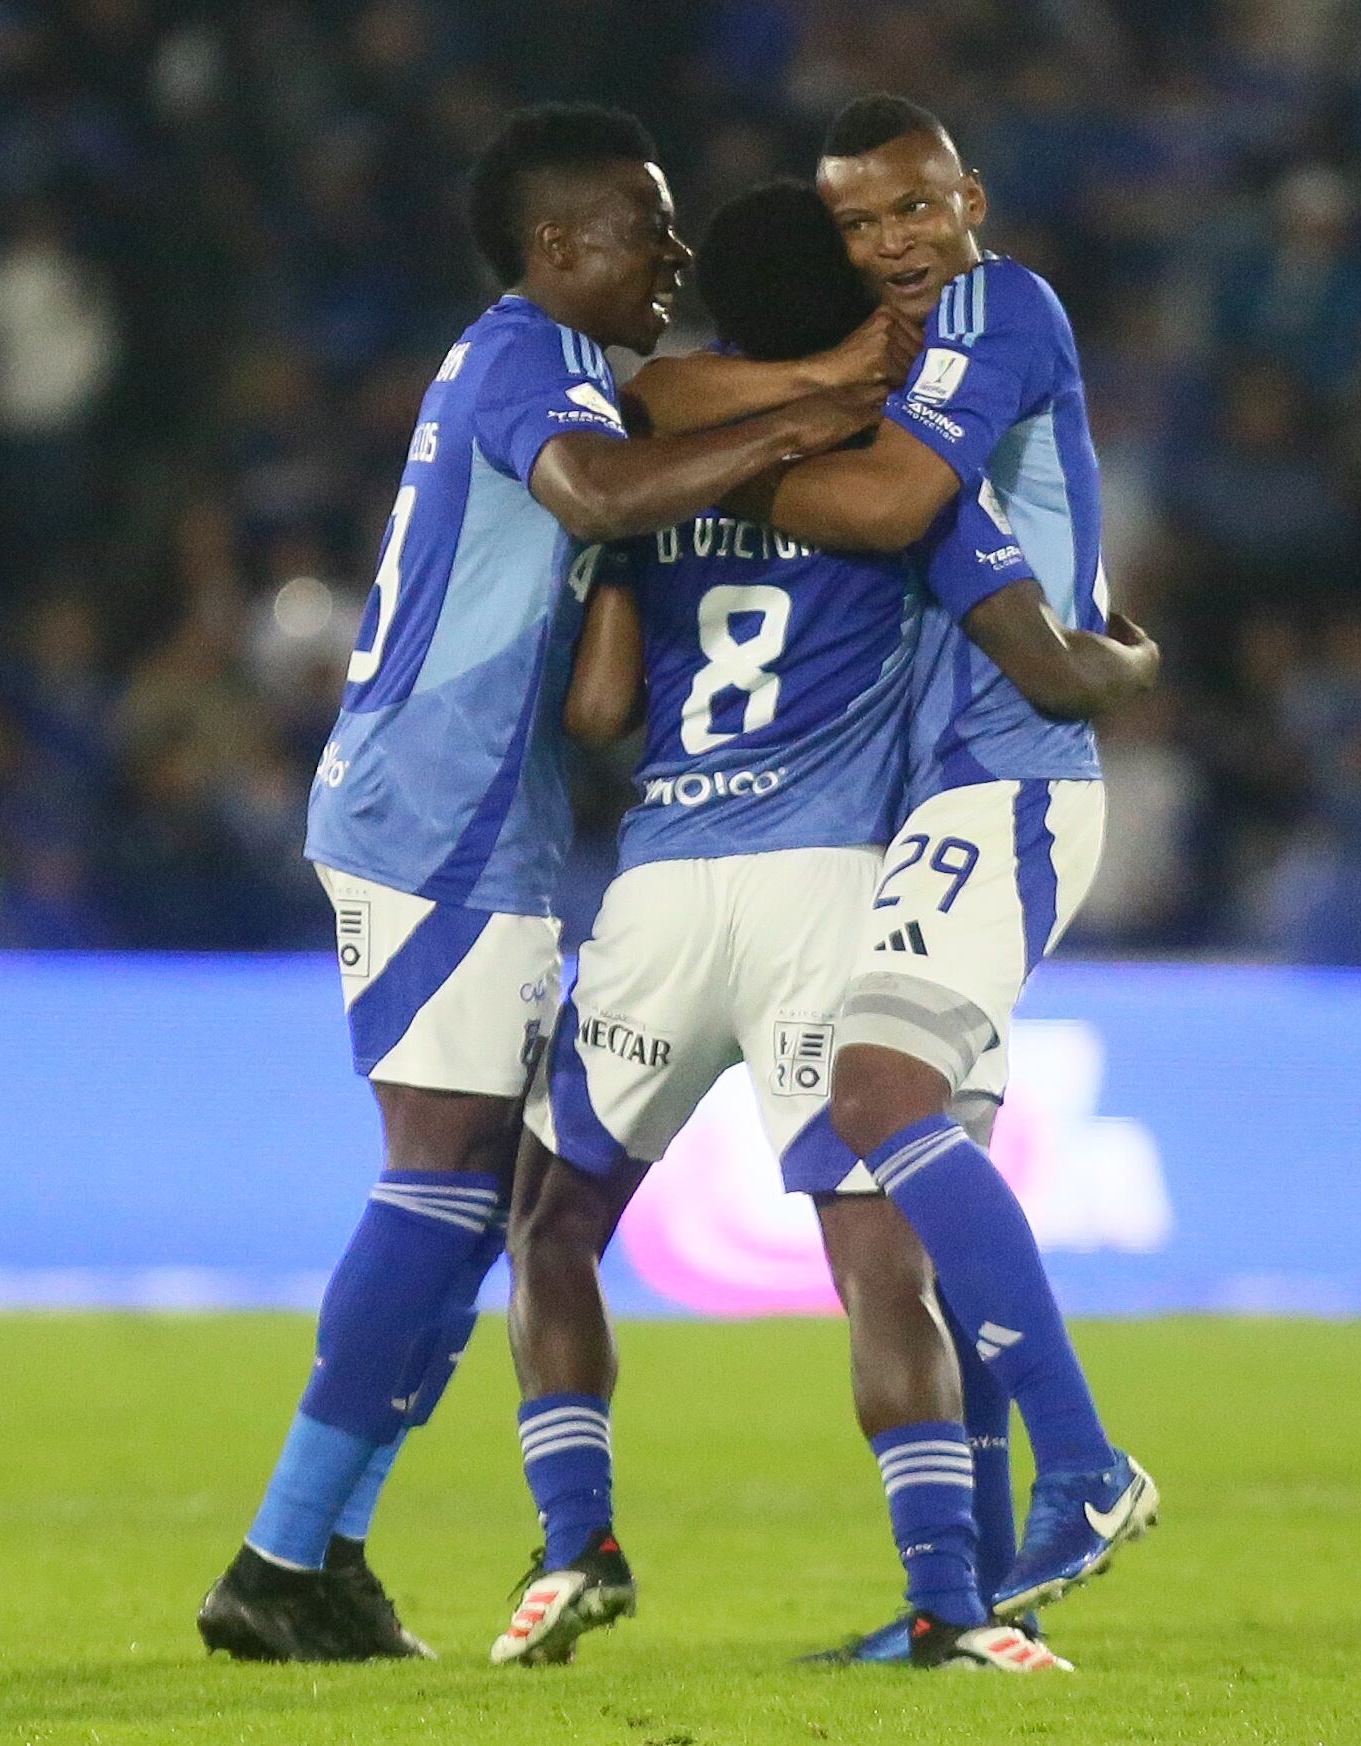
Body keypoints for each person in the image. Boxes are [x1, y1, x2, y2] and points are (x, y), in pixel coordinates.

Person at [196, 103, 890, 1664]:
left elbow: (593, 661)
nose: (678, 252)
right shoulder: (527, 359)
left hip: (474, 818)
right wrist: (798, 427)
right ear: (561, 246)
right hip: (438, 818)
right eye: (651, 226)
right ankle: (280, 1554)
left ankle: (318, 1556)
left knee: (476, 1202)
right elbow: (590, 490)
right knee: (446, 1181)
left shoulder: (559, 370)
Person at [490, 177, 1155, 1672]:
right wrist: (1124, 666)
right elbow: (1032, 653)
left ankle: (572, 1537)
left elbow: (599, 710)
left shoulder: (658, 456)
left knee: (550, 1224)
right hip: (830, 889)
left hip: (663, 885)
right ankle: (949, 1599)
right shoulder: (893, 464)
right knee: (880, 1267)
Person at [734, 92, 1162, 1633]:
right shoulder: (894, 363)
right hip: (939, 795)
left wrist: (703, 463)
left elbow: (902, 503)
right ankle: (974, 1602)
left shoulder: (1003, 308)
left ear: (969, 199)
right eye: (860, 224)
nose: (893, 244)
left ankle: (1089, 1465)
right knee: (915, 1189)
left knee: (878, 1098)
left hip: (1015, 780)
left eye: (914, 208)